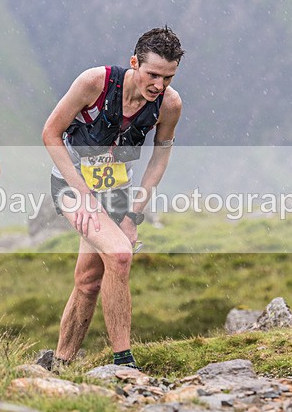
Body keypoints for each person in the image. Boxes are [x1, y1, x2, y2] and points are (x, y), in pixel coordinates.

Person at [42, 26, 185, 369]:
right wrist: (83, 194)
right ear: (134, 63)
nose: (159, 85)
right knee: (120, 256)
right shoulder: (95, 83)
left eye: (168, 77)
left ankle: (60, 363)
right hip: (72, 187)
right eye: (152, 74)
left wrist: (134, 214)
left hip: (117, 194)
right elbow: (50, 133)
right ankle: (124, 363)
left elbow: (160, 157)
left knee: (89, 281)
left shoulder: (169, 105)